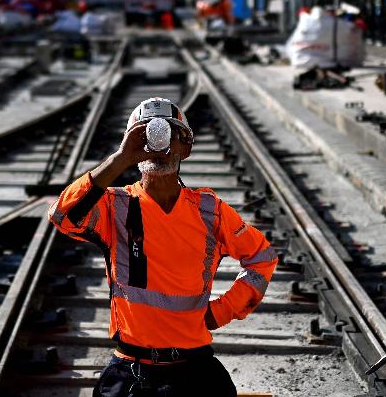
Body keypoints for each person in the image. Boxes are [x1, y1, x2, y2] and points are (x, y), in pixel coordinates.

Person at [48, 97, 278, 396]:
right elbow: (62, 216)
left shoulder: (210, 210)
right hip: (131, 368)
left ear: (187, 148)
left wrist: (222, 311)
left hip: (194, 366)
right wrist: (120, 159)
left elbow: (262, 257)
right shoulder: (115, 206)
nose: (158, 145)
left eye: (171, 134)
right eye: (146, 135)